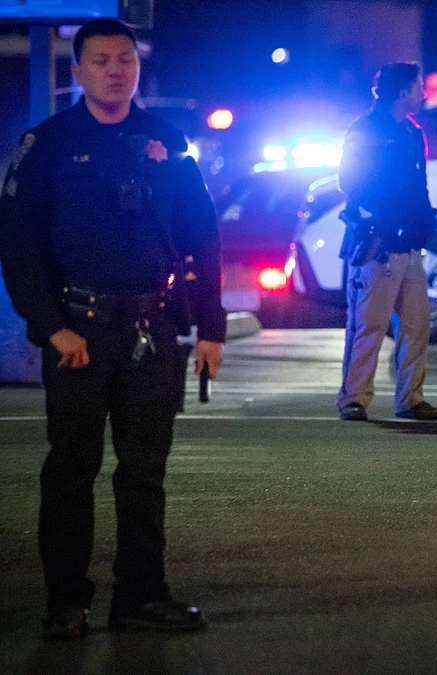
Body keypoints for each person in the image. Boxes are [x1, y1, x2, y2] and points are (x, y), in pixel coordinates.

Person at [0, 18, 223, 637]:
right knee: (71, 471)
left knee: (144, 473)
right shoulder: (46, 145)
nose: (115, 71)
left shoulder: (166, 140)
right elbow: (18, 246)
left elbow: (202, 235)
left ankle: (140, 597)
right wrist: (50, 327)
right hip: (79, 332)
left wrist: (211, 328)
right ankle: (66, 602)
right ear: (77, 72)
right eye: (100, 61)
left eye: (125, 59)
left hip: (153, 329)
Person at [336, 63, 437, 422]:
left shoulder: (412, 132)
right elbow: (350, 182)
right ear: (402, 93)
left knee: (417, 324)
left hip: (409, 245)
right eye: (419, 86)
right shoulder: (365, 130)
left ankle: (411, 399)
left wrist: (422, 222)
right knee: (368, 324)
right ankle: (354, 398)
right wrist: (387, 217)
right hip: (377, 243)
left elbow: (419, 186)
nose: (423, 92)